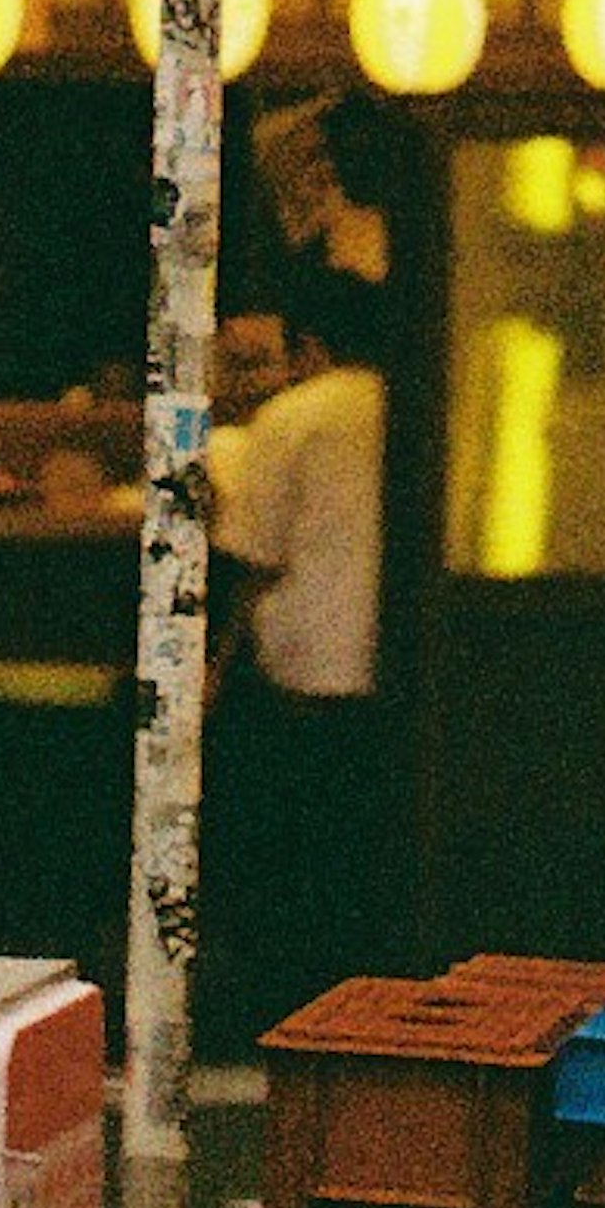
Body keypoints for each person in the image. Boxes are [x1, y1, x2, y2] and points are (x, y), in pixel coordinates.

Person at [207, 116, 406, 1034]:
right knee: (361, 851)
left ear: (311, 345)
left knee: (288, 843)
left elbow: (250, 557)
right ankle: (359, 998)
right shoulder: (407, 411)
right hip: (388, 667)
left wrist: (213, 667)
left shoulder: (295, 417)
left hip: (299, 670)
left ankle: (286, 1001)